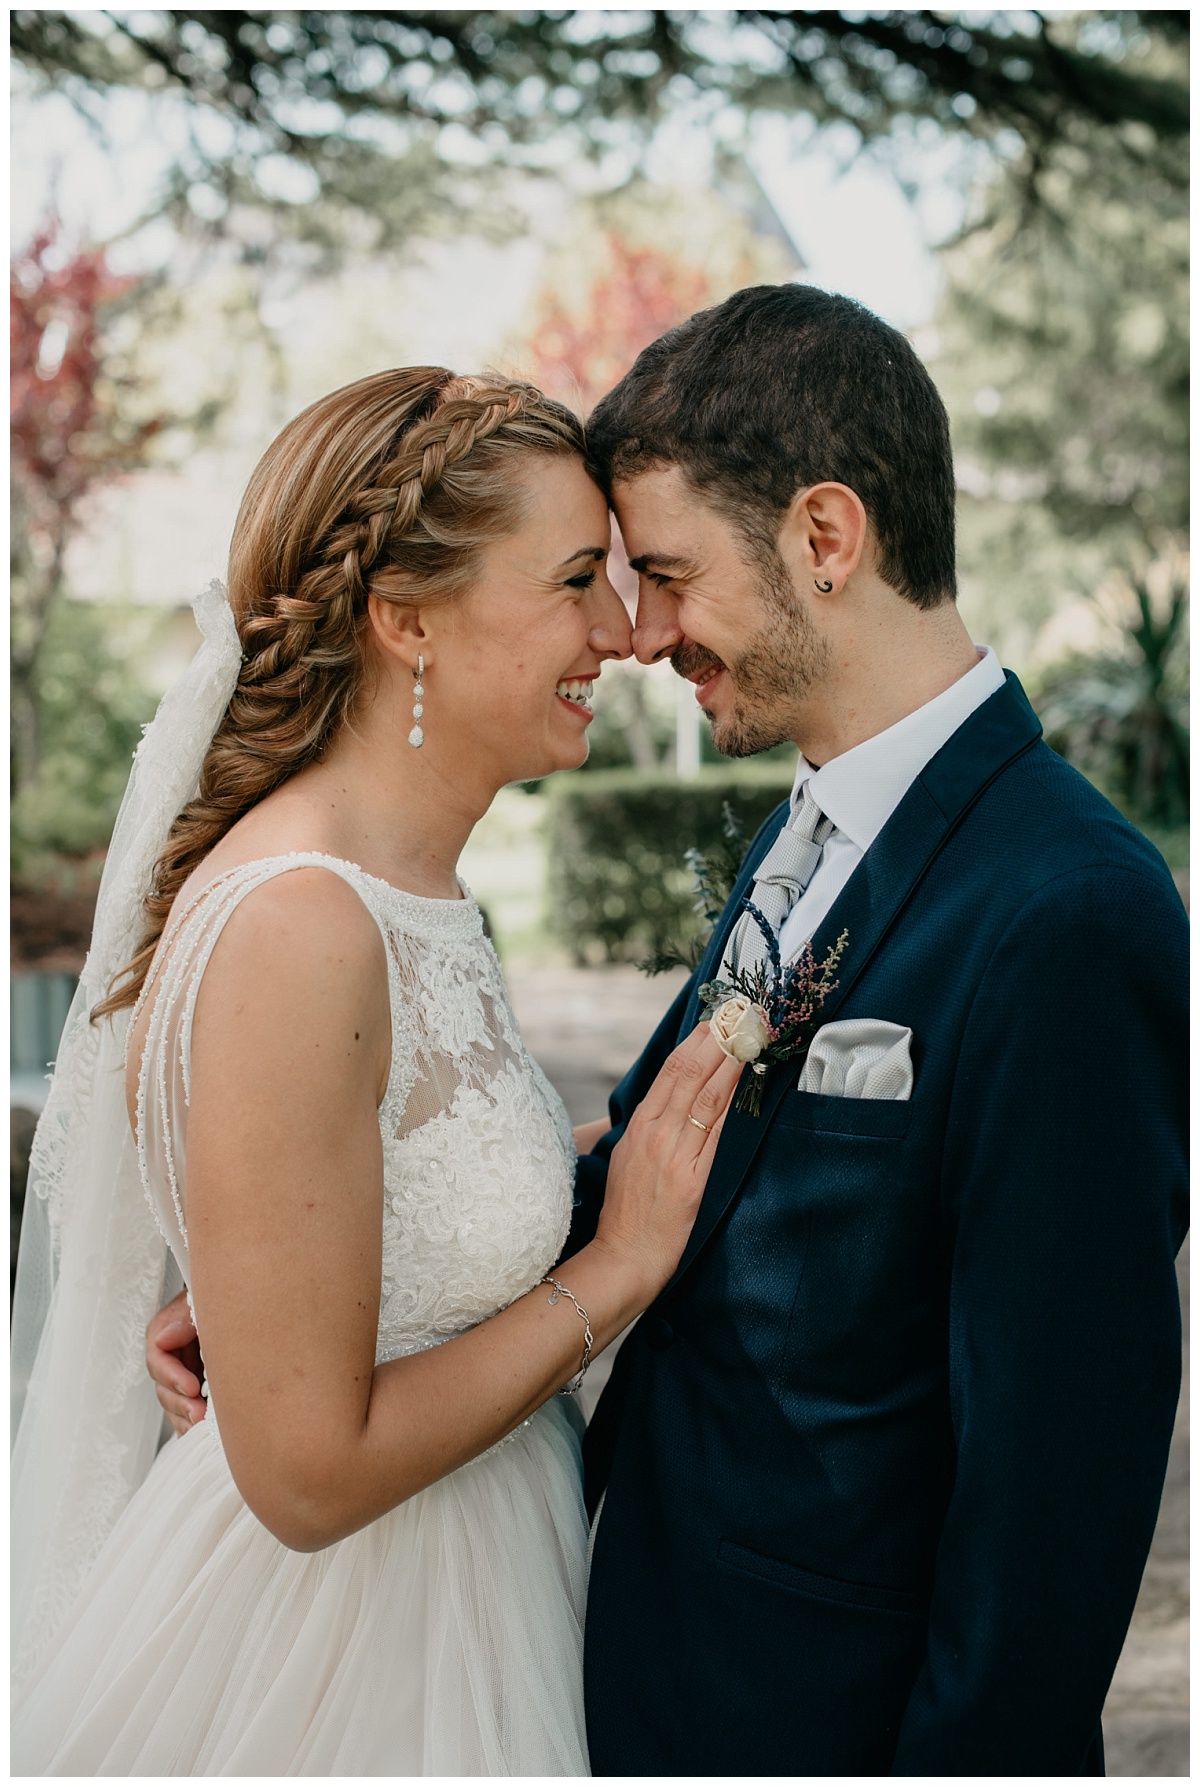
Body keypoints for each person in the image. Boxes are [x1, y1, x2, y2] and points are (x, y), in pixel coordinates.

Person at [147, 288, 1187, 1775]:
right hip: (638, 1670)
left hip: (831, 1725)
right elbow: (689, 1168)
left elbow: (1058, 1496)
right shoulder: (801, 834)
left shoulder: (1071, 909)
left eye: (671, 575)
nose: (640, 634)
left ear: (827, 541)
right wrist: (318, 1288)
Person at [10, 367, 742, 1774]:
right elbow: (304, 1473)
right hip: (352, 1659)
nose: (627, 630)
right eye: (578, 578)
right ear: (404, 617)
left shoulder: (395, 881)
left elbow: (402, 1178)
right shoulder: (304, 922)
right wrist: (616, 1271)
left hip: (479, 1569)